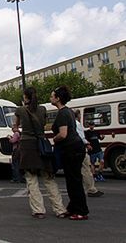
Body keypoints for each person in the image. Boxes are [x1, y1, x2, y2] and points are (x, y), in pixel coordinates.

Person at [15, 87, 68, 219]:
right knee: (49, 178)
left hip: (27, 146)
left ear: (25, 97)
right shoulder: (42, 109)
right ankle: (59, 209)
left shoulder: (20, 110)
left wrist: (19, 128)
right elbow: (43, 125)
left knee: (31, 179)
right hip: (42, 145)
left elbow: (15, 127)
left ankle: (38, 210)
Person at [51, 86, 89, 220]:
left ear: (58, 98)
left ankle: (81, 210)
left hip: (71, 149)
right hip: (76, 147)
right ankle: (73, 207)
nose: (51, 98)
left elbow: (63, 134)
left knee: (74, 181)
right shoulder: (69, 112)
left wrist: (54, 139)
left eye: (52, 96)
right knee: (73, 180)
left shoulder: (62, 113)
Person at [73, 110, 104, 197]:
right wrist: (87, 144)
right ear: (78, 116)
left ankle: (81, 189)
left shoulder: (70, 123)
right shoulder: (77, 124)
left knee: (79, 170)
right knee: (86, 169)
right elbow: (81, 136)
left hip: (74, 149)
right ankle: (91, 189)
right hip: (80, 149)